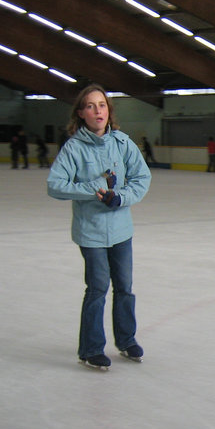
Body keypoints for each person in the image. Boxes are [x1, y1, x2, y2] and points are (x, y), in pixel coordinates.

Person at [47, 83, 151, 371]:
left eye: (102, 105)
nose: (98, 111)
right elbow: (55, 186)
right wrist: (93, 188)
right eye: (90, 106)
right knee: (97, 288)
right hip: (91, 232)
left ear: (109, 110)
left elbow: (142, 178)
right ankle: (91, 348)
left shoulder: (122, 143)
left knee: (125, 287)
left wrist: (120, 198)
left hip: (121, 230)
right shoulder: (74, 148)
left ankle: (126, 340)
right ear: (81, 113)